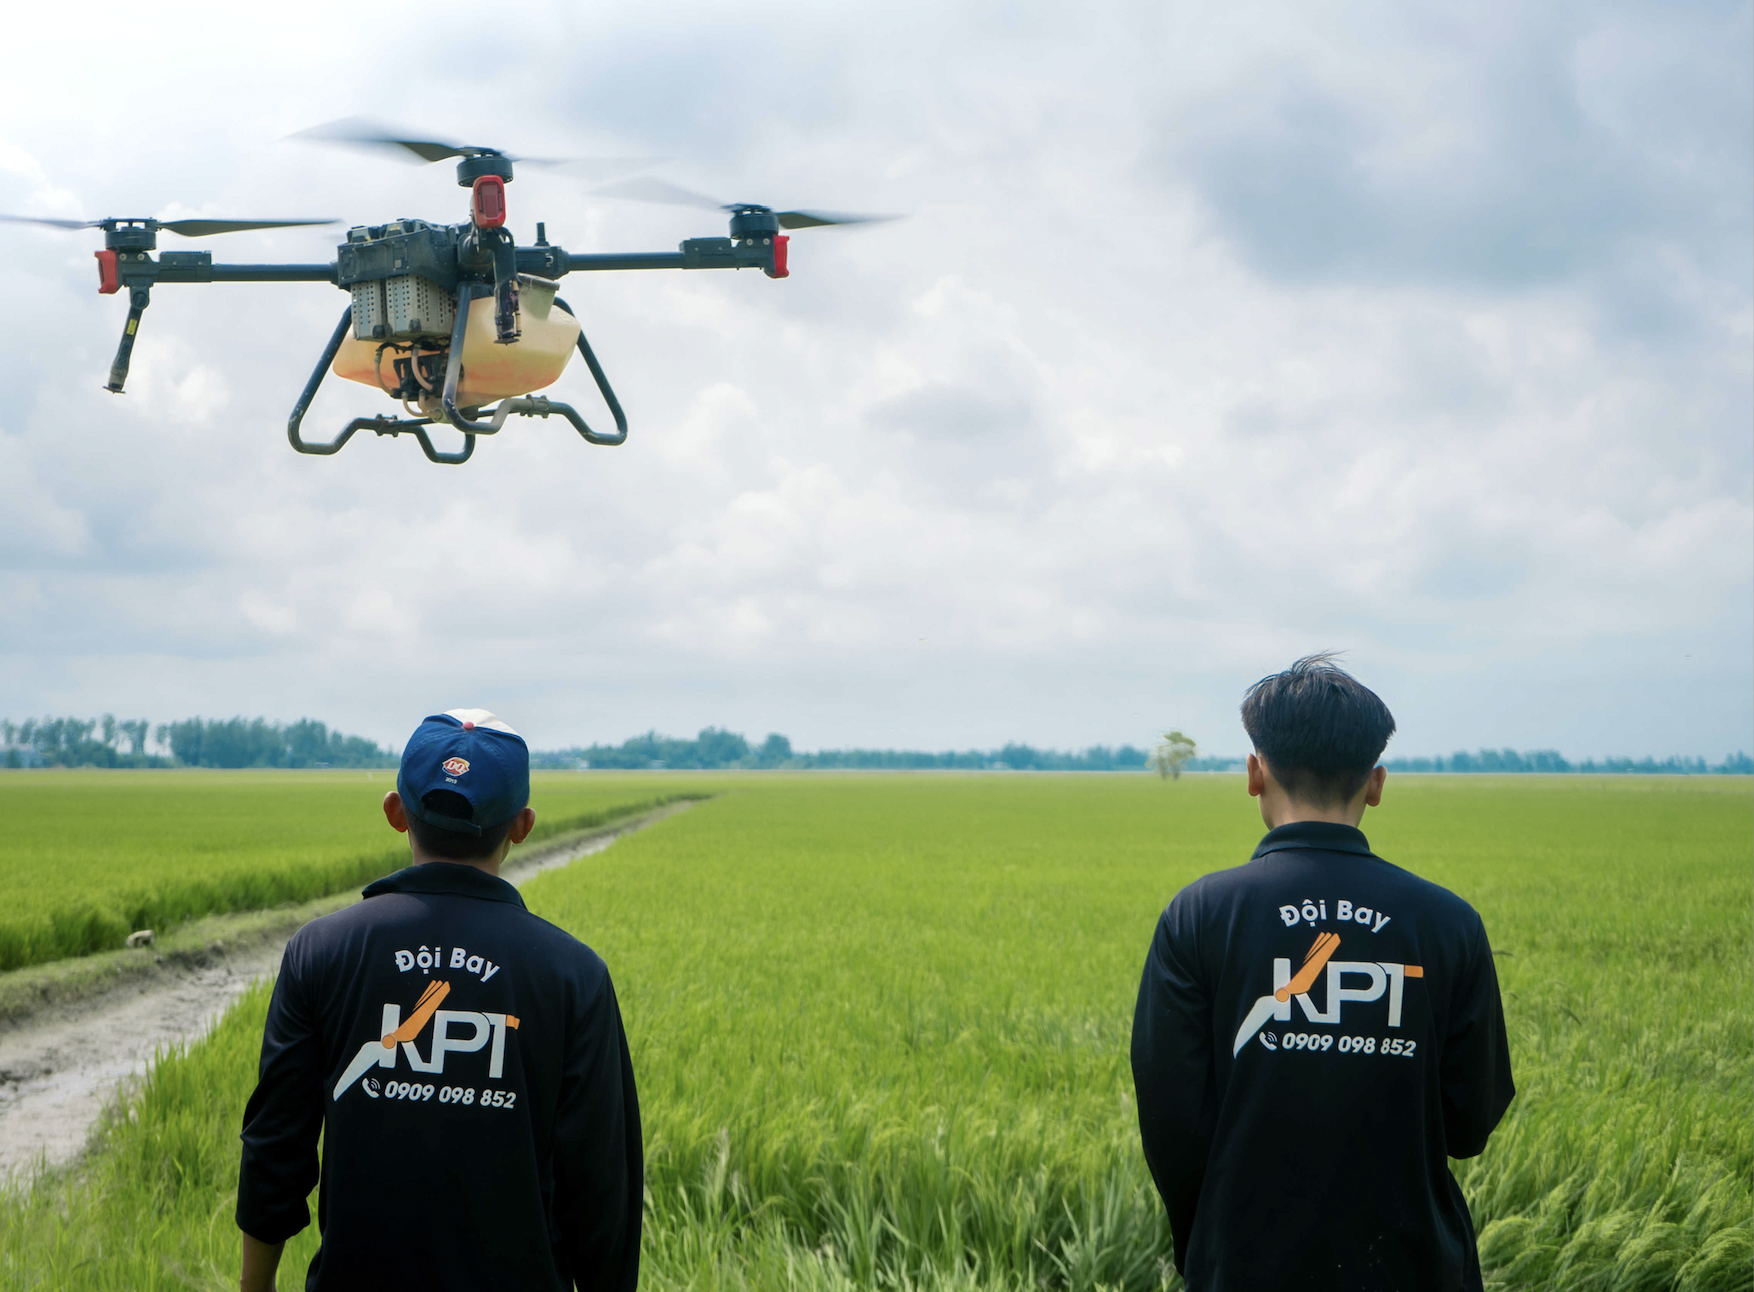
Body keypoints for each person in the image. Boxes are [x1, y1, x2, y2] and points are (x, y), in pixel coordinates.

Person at [1130, 656, 1514, 1292]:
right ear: (1376, 783)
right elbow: (1470, 1121)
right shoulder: (1448, 924)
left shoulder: (1200, 916)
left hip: (1245, 1267)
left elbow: (1173, 1122)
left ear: (1255, 774)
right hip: (1416, 1270)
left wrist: (1214, 1246)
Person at [236, 709, 642, 1292]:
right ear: (522, 825)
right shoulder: (573, 974)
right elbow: (603, 1186)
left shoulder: (320, 952)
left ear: (395, 811)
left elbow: (275, 1146)